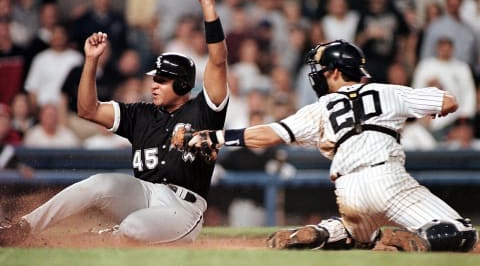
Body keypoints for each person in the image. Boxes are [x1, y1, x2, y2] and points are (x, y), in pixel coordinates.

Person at [0, 0, 228, 246]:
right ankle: (23, 228)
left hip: (183, 208)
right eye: (153, 78)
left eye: (162, 80)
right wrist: (91, 61)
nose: (154, 84)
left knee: (133, 228)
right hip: (143, 192)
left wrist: (208, 6)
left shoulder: (203, 113)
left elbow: (218, 62)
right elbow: (88, 110)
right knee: (99, 183)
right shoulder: (141, 114)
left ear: (182, 85)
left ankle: (103, 238)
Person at [179, 40, 478, 252]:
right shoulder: (387, 91)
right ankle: (420, 240)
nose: (318, 75)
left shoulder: (320, 108)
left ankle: (323, 232)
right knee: (463, 231)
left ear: (336, 72)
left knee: (360, 235)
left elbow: (270, 134)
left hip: (348, 190)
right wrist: (426, 111)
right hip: (388, 179)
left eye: (321, 69)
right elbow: (449, 100)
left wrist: (217, 137)